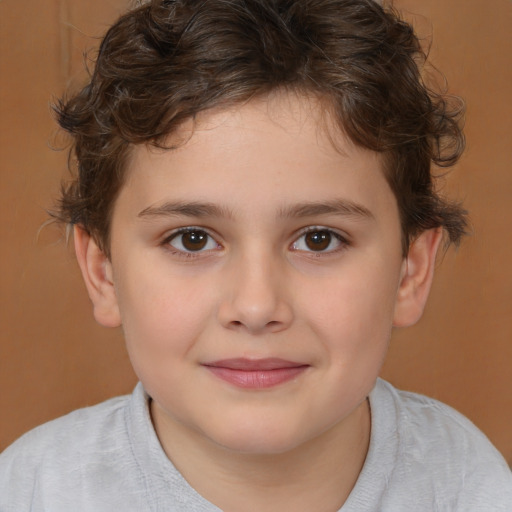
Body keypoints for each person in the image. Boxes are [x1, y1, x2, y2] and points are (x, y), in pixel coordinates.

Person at [1, 0, 510, 510]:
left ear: (410, 272)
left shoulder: (469, 484)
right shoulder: (31, 491)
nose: (256, 307)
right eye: (192, 239)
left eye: (318, 239)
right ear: (103, 273)